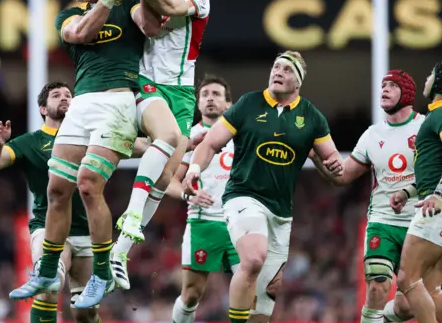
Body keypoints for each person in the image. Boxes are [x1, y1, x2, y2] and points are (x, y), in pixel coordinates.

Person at [8, 0, 160, 308]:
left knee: (89, 185)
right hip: (83, 102)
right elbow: (80, 35)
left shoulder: (129, 4)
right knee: (56, 187)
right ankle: (47, 269)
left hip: (119, 100)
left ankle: (102, 271)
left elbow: (152, 27)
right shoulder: (68, 16)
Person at [183, 51, 345, 323]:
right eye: (276, 66)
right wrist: (194, 169)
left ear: (298, 83)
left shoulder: (312, 117)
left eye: (287, 70)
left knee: (268, 293)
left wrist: (333, 165)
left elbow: (332, 164)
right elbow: (210, 143)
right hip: (242, 197)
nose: (278, 72)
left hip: (281, 211)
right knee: (254, 259)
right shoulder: (248, 104)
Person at [103, 0, 212, 290]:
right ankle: (131, 216)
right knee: (166, 137)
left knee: (167, 176)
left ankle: (118, 252)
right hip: (145, 80)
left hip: (180, 90)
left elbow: (167, 6)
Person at [310, 70, 426, 323]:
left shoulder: (427, 128)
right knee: (378, 285)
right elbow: (342, 177)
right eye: (382, 85)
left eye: (391, 85)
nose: (383, 89)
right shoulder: (372, 135)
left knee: (407, 306)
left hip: (420, 224)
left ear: (407, 92)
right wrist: (315, 158)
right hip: (382, 221)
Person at [0, 82, 101, 323]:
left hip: (88, 231)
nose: (65, 98)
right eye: (56, 95)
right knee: (49, 288)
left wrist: (160, 143)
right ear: (43, 109)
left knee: (86, 313)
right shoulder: (31, 142)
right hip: (49, 228)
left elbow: (133, 146)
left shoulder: (91, 137)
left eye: (68, 95)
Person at [162, 76, 240, 323]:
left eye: (216, 94)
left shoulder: (243, 137)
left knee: (253, 290)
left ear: (229, 104)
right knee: (192, 294)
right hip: (204, 222)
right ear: (198, 104)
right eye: (205, 94)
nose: (209, 98)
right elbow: (168, 181)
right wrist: (188, 193)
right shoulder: (190, 138)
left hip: (241, 223)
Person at [391, 62, 442, 323]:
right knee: (432, 289)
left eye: (431, 74)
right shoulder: (435, 114)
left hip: (435, 209)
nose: (426, 78)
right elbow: (433, 169)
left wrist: (439, 195)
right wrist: (409, 191)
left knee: (407, 278)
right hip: (433, 204)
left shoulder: (441, 113)